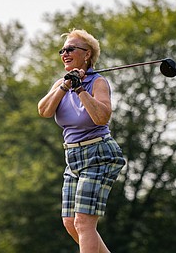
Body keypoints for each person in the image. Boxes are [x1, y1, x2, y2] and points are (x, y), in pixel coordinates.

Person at [37, 29, 126, 253]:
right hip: (73, 158)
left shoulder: (98, 82)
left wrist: (79, 89)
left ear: (87, 55)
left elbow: (101, 117)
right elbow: (44, 110)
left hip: (98, 154)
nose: (64, 53)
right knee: (70, 222)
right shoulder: (62, 83)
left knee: (84, 222)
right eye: (62, 50)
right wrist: (65, 86)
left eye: (70, 49)